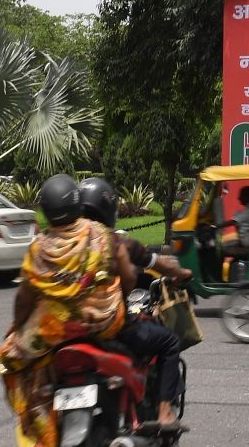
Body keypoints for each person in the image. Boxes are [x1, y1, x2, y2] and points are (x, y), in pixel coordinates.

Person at [0, 174, 136, 447]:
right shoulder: (102, 235)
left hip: (55, 329)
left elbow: (24, 297)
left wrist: (17, 327)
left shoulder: (39, 247)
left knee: (8, 359)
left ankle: (43, 426)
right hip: (105, 320)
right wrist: (121, 295)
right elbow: (129, 277)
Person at [77, 176, 190, 431]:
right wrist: (180, 274)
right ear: (108, 210)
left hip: (67, 329)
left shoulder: (60, 242)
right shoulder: (114, 242)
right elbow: (146, 268)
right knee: (170, 342)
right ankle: (164, 412)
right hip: (107, 326)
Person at [219, 185, 249, 260]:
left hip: (248, 243)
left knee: (221, 248)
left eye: (241, 195)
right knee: (226, 244)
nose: (239, 198)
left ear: (247, 196)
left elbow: (232, 222)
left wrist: (215, 226)